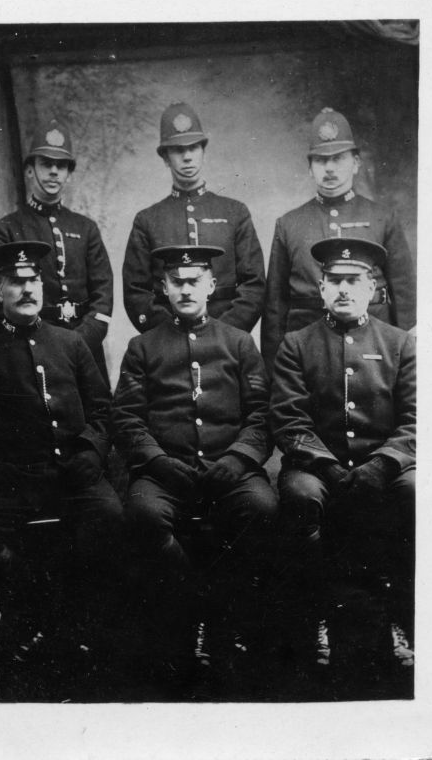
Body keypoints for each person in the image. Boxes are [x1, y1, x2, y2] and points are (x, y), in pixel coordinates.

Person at [113, 244, 277, 671]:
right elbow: (127, 418)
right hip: (166, 471)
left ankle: (223, 621)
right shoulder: (142, 347)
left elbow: (261, 415)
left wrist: (239, 460)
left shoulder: (240, 343)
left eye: (194, 281)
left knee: (262, 508)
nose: (186, 289)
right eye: (177, 282)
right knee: (143, 515)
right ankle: (190, 608)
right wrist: (158, 462)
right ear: (163, 288)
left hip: (230, 468)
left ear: (211, 286)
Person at [0, 241, 124, 641]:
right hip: (14, 480)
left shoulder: (71, 343)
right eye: (15, 282)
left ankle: (93, 631)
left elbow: (103, 410)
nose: (27, 290)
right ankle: (25, 625)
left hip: (75, 475)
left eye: (34, 281)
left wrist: (91, 452)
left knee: (112, 518)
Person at [270, 237, 415, 670]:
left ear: (372, 288)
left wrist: (384, 463)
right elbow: (289, 419)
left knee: (416, 493)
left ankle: (401, 618)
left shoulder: (399, 343)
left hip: (384, 465)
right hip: (317, 466)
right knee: (301, 496)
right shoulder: (297, 343)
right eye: (335, 281)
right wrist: (329, 467)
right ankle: (312, 618)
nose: (344, 289)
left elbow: (418, 418)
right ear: (321, 289)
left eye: (354, 280)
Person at [261, 107, 416, 379]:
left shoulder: (382, 218)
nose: (329, 168)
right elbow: (276, 305)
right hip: (308, 343)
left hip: (374, 341)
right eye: (320, 160)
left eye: (338, 158)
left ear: (356, 162)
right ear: (309, 168)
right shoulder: (289, 224)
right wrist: (273, 371)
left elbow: (404, 295)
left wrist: (406, 359)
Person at [0, 117, 113, 385]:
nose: (54, 171)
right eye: (46, 163)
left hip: (84, 347)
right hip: (30, 350)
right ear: (30, 169)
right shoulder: (6, 229)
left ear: (69, 174)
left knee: (96, 417)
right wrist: (38, 343)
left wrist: (80, 341)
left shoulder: (85, 228)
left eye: (61, 165)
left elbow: (103, 293)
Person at [123, 102, 266, 333]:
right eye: (178, 150)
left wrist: (223, 334)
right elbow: (136, 292)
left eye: (193, 148)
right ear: (165, 158)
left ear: (203, 152)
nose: (187, 157)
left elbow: (253, 285)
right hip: (168, 345)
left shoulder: (235, 213)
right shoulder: (147, 220)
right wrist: (170, 335)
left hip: (228, 341)